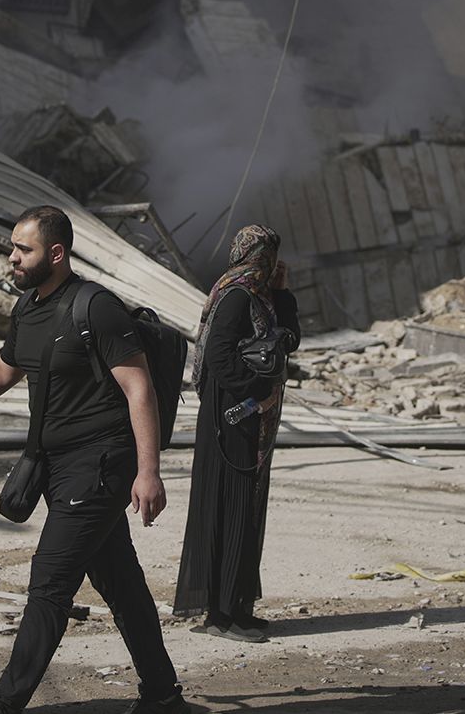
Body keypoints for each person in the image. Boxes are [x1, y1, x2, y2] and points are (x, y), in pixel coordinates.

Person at [0, 205, 188, 714]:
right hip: (56, 466)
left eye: (23, 249)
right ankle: (164, 695)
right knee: (120, 582)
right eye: (13, 246)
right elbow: (3, 369)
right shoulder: (29, 307)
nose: (11, 257)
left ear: (55, 253)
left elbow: (139, 389)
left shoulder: (95, 308)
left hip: (100, 464)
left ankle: (4, 703)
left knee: (50, 583)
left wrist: (149, 473)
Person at [173, 225, 299, 643]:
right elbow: (219, 358)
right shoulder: (235, 296)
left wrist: (282, 293)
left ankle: (239, 606)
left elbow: (289, 342)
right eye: (268, 256)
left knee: (246, 508)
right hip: (230, 419)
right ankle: (220, 614)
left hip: (250, 420)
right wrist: (258, 390)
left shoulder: (262, 297)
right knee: (228, 507)